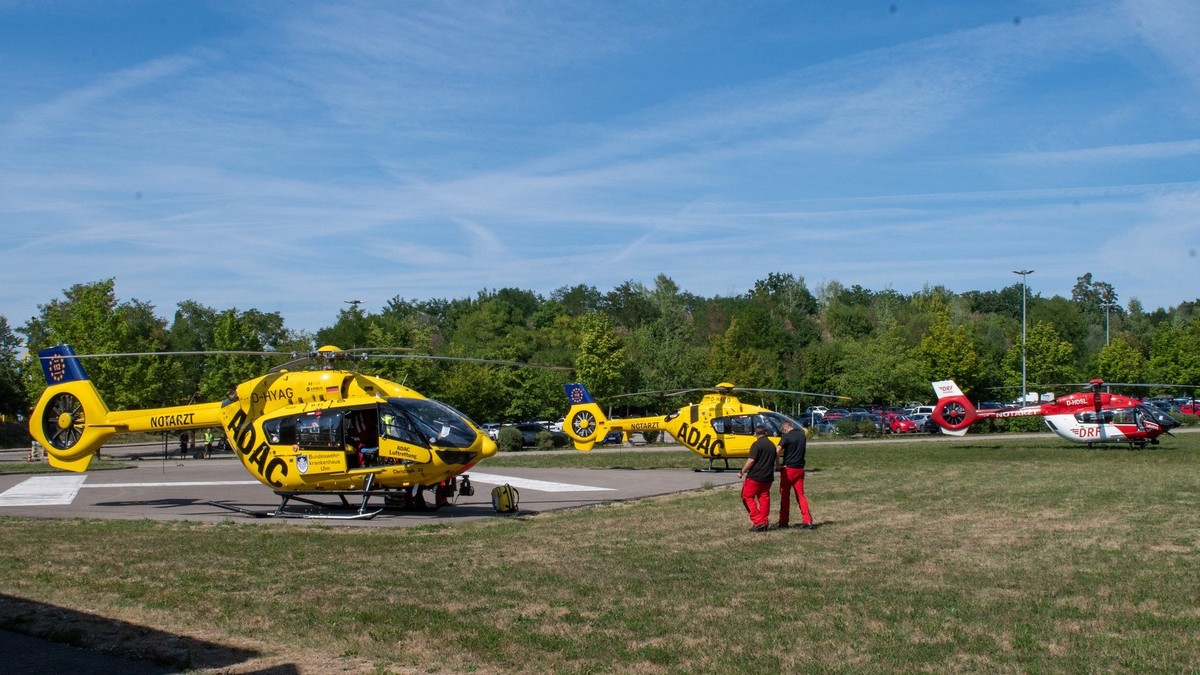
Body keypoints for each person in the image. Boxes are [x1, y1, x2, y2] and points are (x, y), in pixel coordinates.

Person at [737, 425, 776, 532]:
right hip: (768, 477)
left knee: (746, 497)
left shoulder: (757, 444)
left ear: (756, 433)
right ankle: (764, 521)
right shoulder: (772, 445)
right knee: (764, 499)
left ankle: (758, 521)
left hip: (755, 477)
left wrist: (742, 471)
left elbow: (751, 460)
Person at [776, 420, 814, 529]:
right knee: (800, 495)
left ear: (784, 429)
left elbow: (777, 450)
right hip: (800, 469)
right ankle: (807, 520)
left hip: (788, 469)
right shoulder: (802, 436)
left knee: (785, 496)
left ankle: (783, 521)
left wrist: (777, 464)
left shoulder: (786, 437)